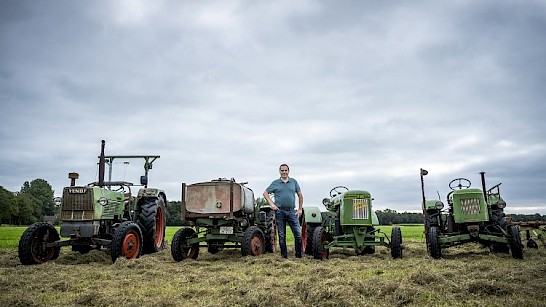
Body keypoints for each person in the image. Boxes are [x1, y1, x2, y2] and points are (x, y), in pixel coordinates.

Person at [263, 163, 303, 258]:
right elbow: (265, 193)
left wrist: (300, 209)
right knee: (282, 235)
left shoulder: (294, 182)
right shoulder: (275, 183)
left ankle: (298, 256)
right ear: (279, 171)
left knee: (298, 234)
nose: (284, 172)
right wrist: (272, 204)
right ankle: (284, 256)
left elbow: (300, 195)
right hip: (280, 211)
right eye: (282, 170)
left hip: (292, 211)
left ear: (288, 171)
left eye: (286, 170)